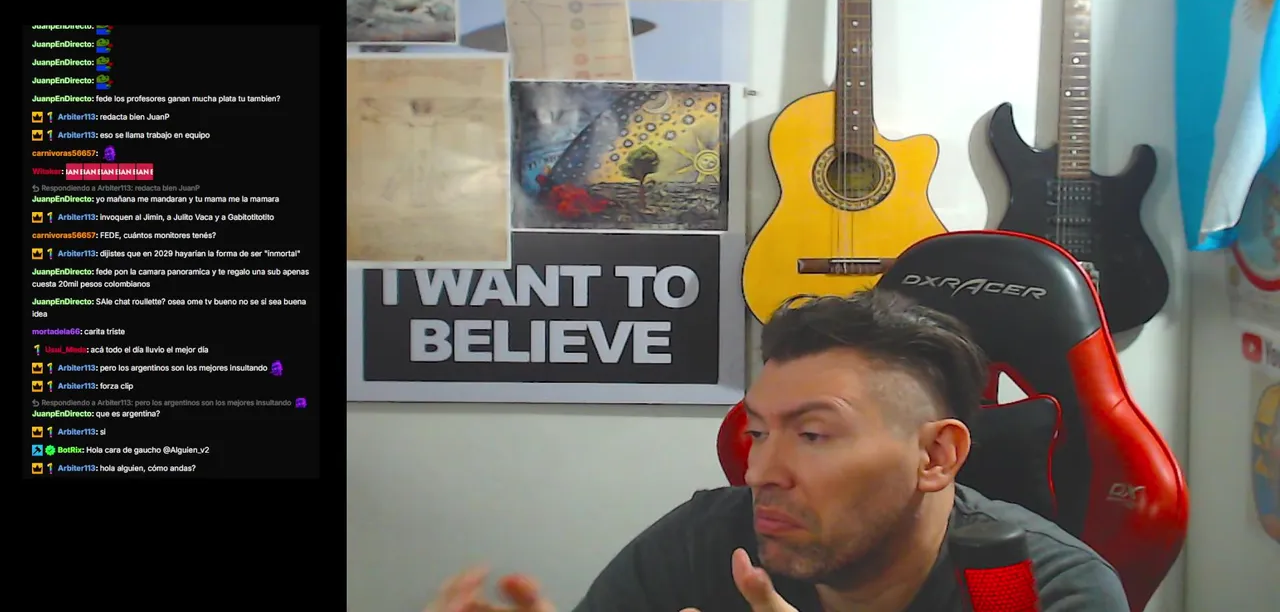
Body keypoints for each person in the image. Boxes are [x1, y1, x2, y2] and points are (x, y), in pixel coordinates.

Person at [423, 290, 1129, 612]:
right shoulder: (706, 544)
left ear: (936, 456)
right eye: (758, 433)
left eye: (813, 435)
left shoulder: (1030, 591)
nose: (761, 473)